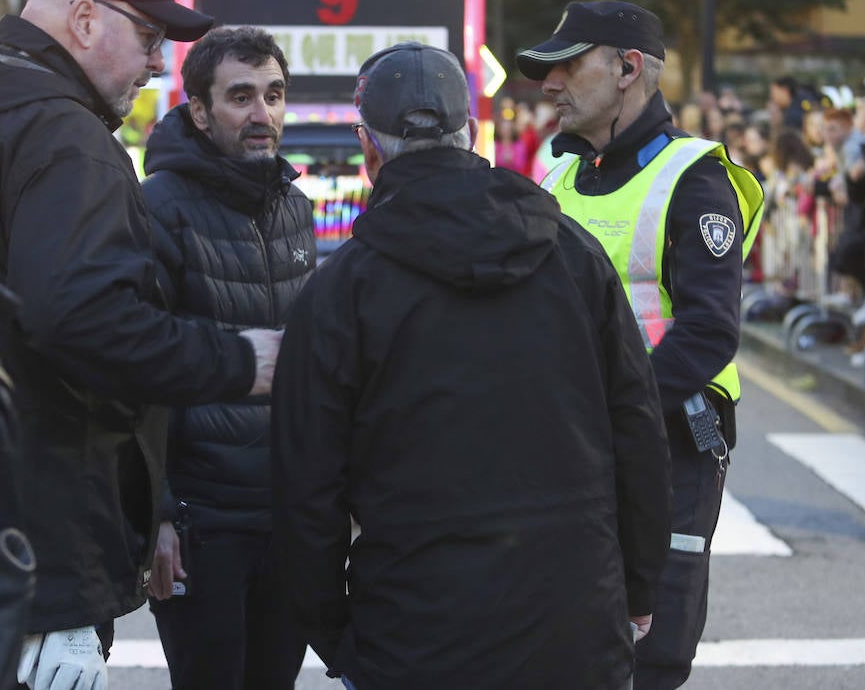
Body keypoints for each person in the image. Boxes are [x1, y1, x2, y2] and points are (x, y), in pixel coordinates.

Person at [0, 0, 281, 690]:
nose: (159, 63)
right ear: (81, 19)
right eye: (148, 36)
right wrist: (242, 361)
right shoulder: (66, 137)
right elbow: (80, 320)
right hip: (35, 552)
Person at [272, 41, 672, 689]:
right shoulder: (575, 256)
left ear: (367, 150)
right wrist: (638, 585)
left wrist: (338, 637)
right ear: (474, 133)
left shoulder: (342, 291)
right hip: (574, 619)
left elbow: (305, 488)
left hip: (415, 629)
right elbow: (638, 432)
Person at [519, 1, 764, 689]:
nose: (550, 84)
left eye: (568, 66)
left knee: (650, 657)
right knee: (565, 637)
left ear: (628, 69)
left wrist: (614, 415)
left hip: (668, 450)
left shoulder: (695, 178)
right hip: (574, 447)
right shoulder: (558, 177)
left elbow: (710, 329)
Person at [140, 26, 314, 689]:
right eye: (240, 97)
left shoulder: (293, 207)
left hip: (286, 514)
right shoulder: (158, 208)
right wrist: (155, 515)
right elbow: (139, 368)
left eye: (273, 95)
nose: (261, 114)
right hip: (201, 520)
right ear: (199, 111)